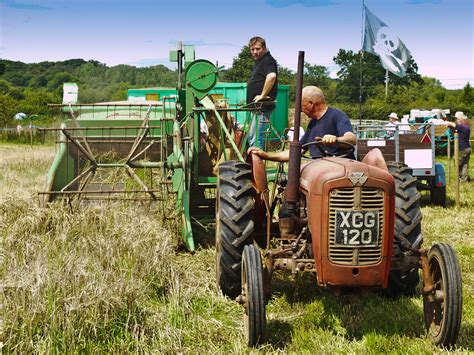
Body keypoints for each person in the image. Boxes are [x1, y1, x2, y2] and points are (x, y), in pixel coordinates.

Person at [248, 85, 356, 161]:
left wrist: (336, 140)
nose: (300, 110)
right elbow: (295, 153)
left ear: (310, 104)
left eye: (301, 105)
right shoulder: (312, 124)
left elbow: (352, 139)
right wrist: (266, 155)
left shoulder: (336, 115)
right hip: (319, 168)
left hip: (339, 166)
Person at [246, 36, 278, 149]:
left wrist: (262, 95)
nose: (255, 52)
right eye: (252, 49)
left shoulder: (268, 60)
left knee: (255, 139)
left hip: (262, 106)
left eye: (258, 49)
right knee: (252, 136)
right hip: (257, 107)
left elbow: (271, 76)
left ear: (264, 48)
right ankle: (253, 164)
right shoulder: (260, 62)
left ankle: (257, 166)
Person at [445, 111, 471, 182]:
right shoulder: (465, 127)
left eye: (457, 119)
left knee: (457, 164)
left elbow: (453, 125)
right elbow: (455, 131)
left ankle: (460, 178)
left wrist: (447, 123)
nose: (457, 120)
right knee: (465, 165)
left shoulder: (462, 127)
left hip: (461, 149)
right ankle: (464, 179)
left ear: (461, 119)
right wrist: (450, 127)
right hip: (467, 148)